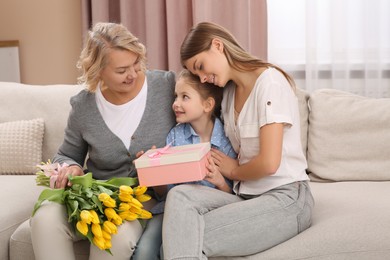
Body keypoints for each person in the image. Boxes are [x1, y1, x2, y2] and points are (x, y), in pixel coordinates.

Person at [162, 22, 315, 259]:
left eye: (201, 67)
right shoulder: (229, 93)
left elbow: (269, 163)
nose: (202, 78)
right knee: (179, 196)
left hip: (285, 196)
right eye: (197, 73)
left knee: (182, 238)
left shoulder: (270, 83)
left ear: (217, 45)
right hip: (244, 196)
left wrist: (233, 170)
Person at [30, 22, 176, 260]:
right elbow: (67, 154)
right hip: (95, 195)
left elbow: (197, 124)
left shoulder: (166, 86)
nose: (132, 74)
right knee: (44, 220)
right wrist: (71, 168)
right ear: (98, 70)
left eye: (136, 63)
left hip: (144, 198)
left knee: (111, 238)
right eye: (121, 70)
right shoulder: (84, 105)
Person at [132, 69, 237, 260]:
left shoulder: (225, 143)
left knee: (172, 251)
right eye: (175, 97)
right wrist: (154, 171)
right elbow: (165, 194)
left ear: (207, 105)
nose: (176, 104)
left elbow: (234, 196)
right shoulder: (175, 137)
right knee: (144, 252)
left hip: (210, 213)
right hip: (169, 211)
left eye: (185, 97)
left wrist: (220, 181)